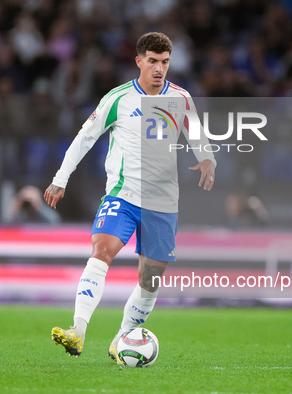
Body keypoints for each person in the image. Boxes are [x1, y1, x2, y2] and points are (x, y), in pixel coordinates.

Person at [44, 32, 216, 363]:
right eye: (153, 61)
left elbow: (197, 134)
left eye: (165, 62)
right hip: (123, 195)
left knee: (150, 278)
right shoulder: (118, 98)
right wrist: (60, 179)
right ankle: (77, 331)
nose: (159, 69)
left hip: (163, 202)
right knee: (102, 250)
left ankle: (121, 338)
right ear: (139, 61)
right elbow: (85, 137)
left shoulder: (180, 98)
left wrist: (207, 157)